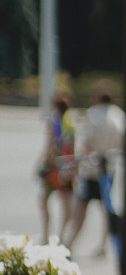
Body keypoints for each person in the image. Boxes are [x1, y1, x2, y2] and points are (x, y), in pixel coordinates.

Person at [65, 82, 126, 256]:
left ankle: (70, 241)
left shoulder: (92, 115)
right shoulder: (118, 115)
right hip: (111, 167)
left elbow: (86, 143)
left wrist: (77, 162)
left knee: (81, 207)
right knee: (107, 207)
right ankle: (104, 243)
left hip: (92, 169)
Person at [36, 92, 77, 244]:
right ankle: (61, 235)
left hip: (53, 168)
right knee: (66, 202)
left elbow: (49, 145)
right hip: (67, 167)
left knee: (44, 200)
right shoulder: (72, 121)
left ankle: (46, 234)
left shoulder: (54, 122)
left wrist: (42, 163)